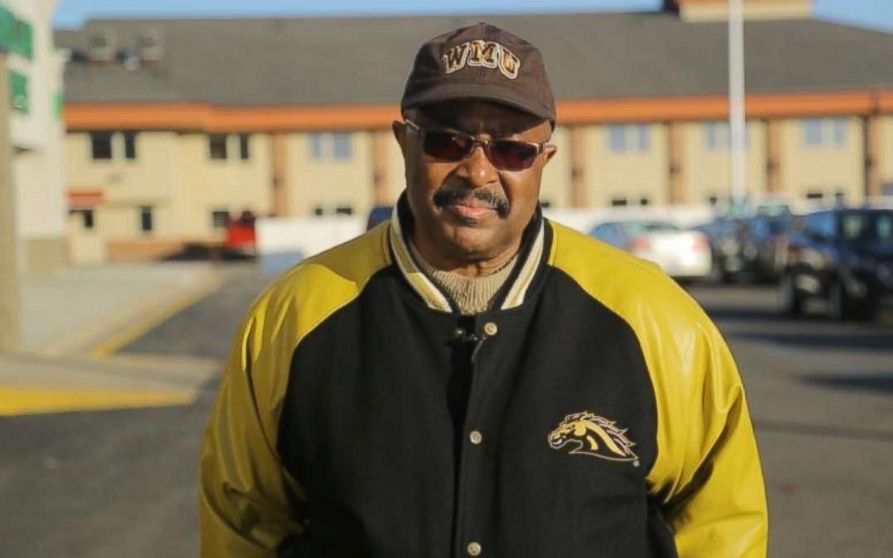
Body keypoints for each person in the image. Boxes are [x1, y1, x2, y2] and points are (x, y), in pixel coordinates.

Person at [200, 22, 767, 558]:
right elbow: (241, 522)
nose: (476, 170)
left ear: (544, 159)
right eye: (447, 141)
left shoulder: (655, 319)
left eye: (510, 150)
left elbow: (723, 523)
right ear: (404, 144)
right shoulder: (294, 316)